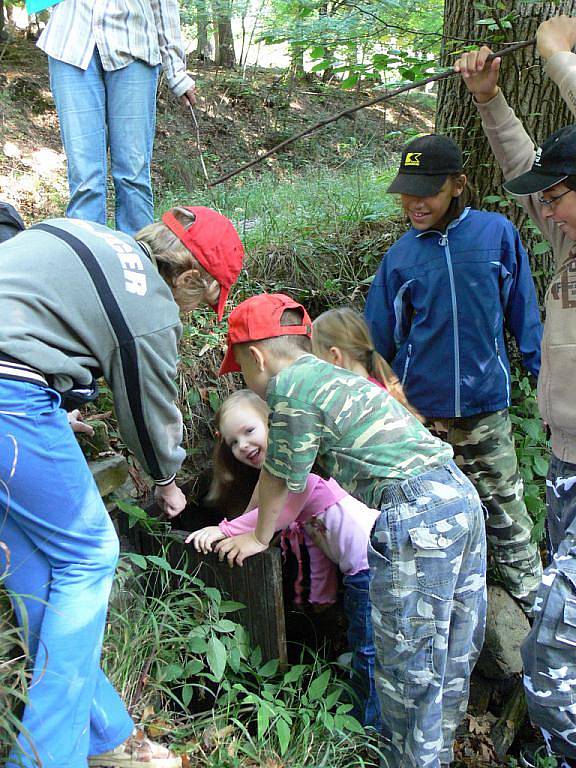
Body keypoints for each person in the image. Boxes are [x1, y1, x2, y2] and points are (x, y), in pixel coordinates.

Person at [0, 206, 244, 768]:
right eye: (204, 300)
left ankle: (108, 738)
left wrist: (59, 396)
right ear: (187, 277)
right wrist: (166, 479)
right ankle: (45, 758)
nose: (198, 312)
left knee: (41, 574)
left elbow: (39, 313)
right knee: (91, 553)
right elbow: (147, 408)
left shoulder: (88, 233)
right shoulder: (150, 304)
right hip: (12, 396)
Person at [214, 292, 487, 768]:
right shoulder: (334, 375)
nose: (250, 383)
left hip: (416, 516)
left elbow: (283, 474)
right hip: (458, 496)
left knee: (406, 671)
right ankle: (435, 756)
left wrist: (256, 536)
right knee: (448, 656)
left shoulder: (289, 387)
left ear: (256, 357)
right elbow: (279, 469)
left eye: (242, 371)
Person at [455, 17, 576, 765]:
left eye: (562, 197)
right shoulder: (568, 240)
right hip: (566, 469)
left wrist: (563, 60)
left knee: (554, 647)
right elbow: (523, 167)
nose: (549, 210)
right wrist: (491, 101)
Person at [364, 133, 543, 617]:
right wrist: (383, 403)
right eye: (407, 191)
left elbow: (523, 310)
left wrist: (541, 376)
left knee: (506, 512)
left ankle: (538, 612)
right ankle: (461, 612)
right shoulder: (400, 259)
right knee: (438, 521)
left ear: (458, 184)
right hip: (423, 419)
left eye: (428, 190)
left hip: (486, 407)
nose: (415, 202)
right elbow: (378, 342)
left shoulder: (494, 235)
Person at [186, 389, 382, 730]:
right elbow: (311, 542)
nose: (242, 446)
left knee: (369, 646)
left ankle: (367, 724)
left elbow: (269, 519)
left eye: (249, 431)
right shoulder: (275, 478)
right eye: (232, 442)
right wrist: (320, 596)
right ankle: (359, 677)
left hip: (371, 562)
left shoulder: (297, 477)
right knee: (362, 632)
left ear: (272, 426)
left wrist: (223, 530)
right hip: (358, 567)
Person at [37, 0, 197, 236]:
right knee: (84, 178)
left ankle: (140, 265)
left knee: (133, 174)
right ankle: (87, 266)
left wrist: (176, 70)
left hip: (134, 44)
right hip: (71, 42)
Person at [311, 306, 421, 420]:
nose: (315, 370)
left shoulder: (358, 404)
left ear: (335, 356)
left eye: (317, 360)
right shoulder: (376, 391)